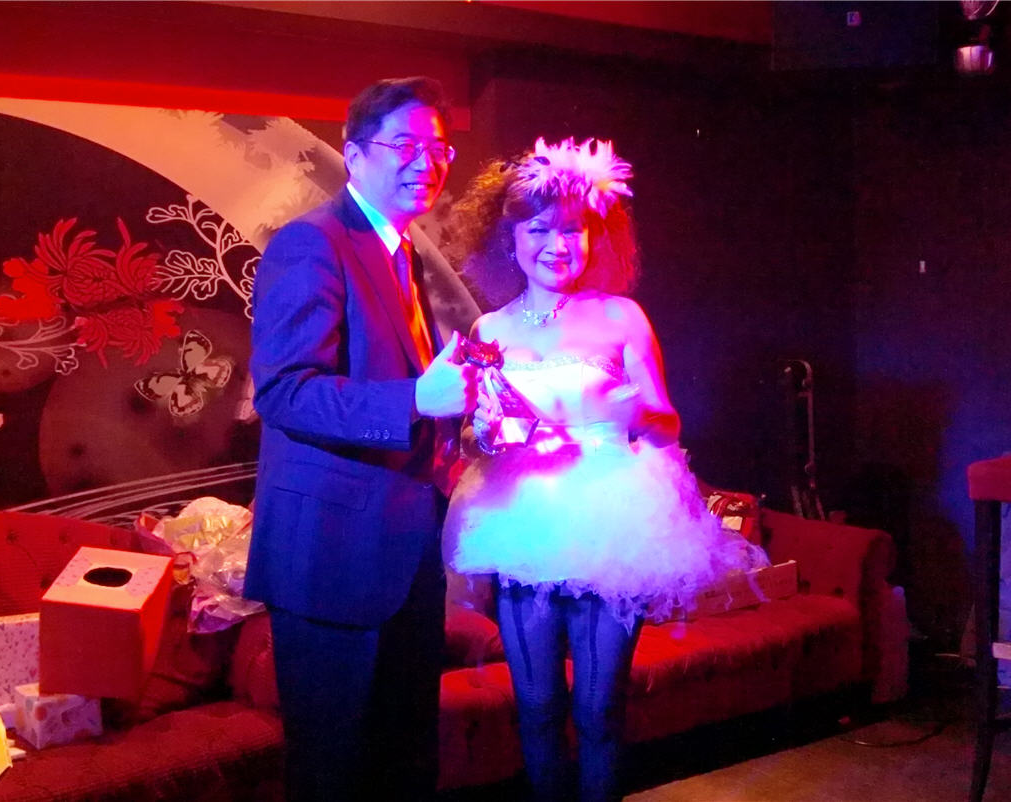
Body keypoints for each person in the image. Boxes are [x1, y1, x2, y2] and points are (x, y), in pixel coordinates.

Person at [443, 138, 770, 802]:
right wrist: (484, 433)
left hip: (610, 519)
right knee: (536, 706)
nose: (556, 244)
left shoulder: (622, 316)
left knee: (598, 708)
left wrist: (633, 412)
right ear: (510, 239)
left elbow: (667, 422)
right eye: (539, 230)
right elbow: (479, 433)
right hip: (523, 520)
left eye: (572, 230)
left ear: (595, 237)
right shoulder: (490, 329)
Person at [245, 76, 479, 801]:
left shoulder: (403, 254)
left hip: (404, 552)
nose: (426, 162)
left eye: (438, 148)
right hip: (330, 560)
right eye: (405, 144)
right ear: (353, 154)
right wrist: (415, 398)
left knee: (403, 766)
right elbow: (284, 390)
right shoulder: (311, 243)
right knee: (334, 773)